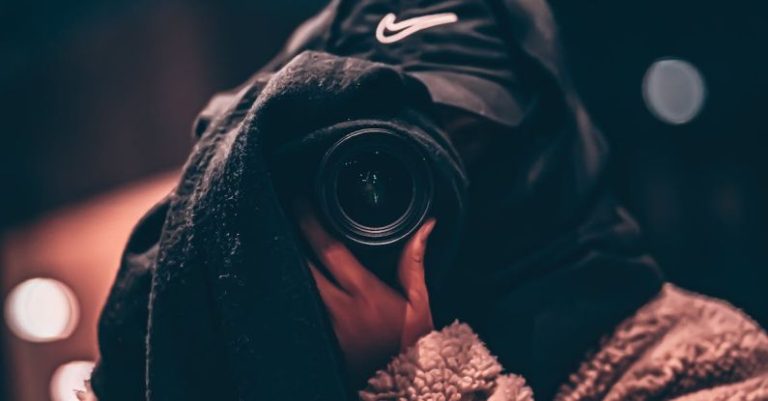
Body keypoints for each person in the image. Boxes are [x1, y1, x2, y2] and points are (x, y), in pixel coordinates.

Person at [85, 0, 768, 400]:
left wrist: (417, 376)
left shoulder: (697, 352)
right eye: (381, 157)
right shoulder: (280, 341)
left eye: (468, 135)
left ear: (549, 136)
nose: (439, 180)